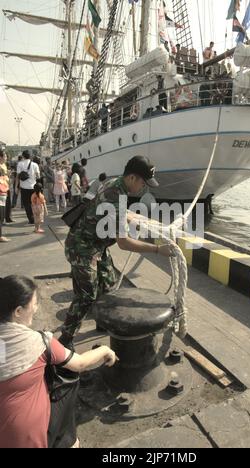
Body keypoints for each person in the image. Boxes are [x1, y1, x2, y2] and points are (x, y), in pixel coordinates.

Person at [59, 156, 175, 349]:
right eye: (143, 183)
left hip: (97, 245)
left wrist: (147, 221)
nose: (144, 188)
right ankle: (65, 339)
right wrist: (157, 249)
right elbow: (124, 243)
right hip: (83, 248)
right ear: (132, 178)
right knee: (86, 296)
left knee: (109, 285)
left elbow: (122, 213)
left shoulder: (115, 185)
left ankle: (103, 323)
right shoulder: (115, 195)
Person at [0, 275, 117, 449]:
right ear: (18, 311)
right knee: (71, 439)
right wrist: (104, 350)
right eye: (34, 303)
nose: (36, 307)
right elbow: (80, 364)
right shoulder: (39, 342)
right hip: (26, 431)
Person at [17, 150, 40, 225]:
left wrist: (17, 187)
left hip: (24, 187)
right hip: (33, 187)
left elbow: (18, 176)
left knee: (27, 204)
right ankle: (36, 218)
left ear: (23, 156)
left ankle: (31, 220)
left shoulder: (20, 164)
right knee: (35, 203)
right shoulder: (35, 165)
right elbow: (38, 176)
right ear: (31, 156)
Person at [0, 150, 13, 223]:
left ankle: (8, 217)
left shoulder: (4, 164)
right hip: (1, 187)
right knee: (2, 204)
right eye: (5, 156)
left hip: (6, 185)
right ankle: (2, 220)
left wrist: (8, 174)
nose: (6, 158)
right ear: (0, 157)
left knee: (8, 202)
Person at [0, 167, 10, 242]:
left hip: (3, 199)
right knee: (0, 218)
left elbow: (7, 187)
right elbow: (4, 188)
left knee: (2, 217)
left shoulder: (3, 178)